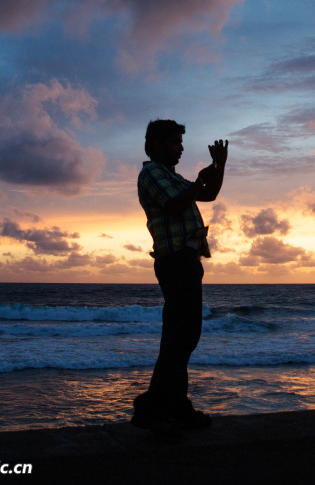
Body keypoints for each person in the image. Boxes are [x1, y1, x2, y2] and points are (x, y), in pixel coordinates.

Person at [131, 119, 228, 435]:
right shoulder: (152, 174)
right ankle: (151, 409)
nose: (180, 147)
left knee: (183, 336)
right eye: (174, 142)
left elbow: (207, 195)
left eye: (179, 142)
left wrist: (218, 166)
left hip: (186, 259)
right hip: (174, 261)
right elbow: (175, 204)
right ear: (156, 144)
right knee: (180, 335)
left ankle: (176, 406)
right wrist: (198, 181)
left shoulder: (171, 177)